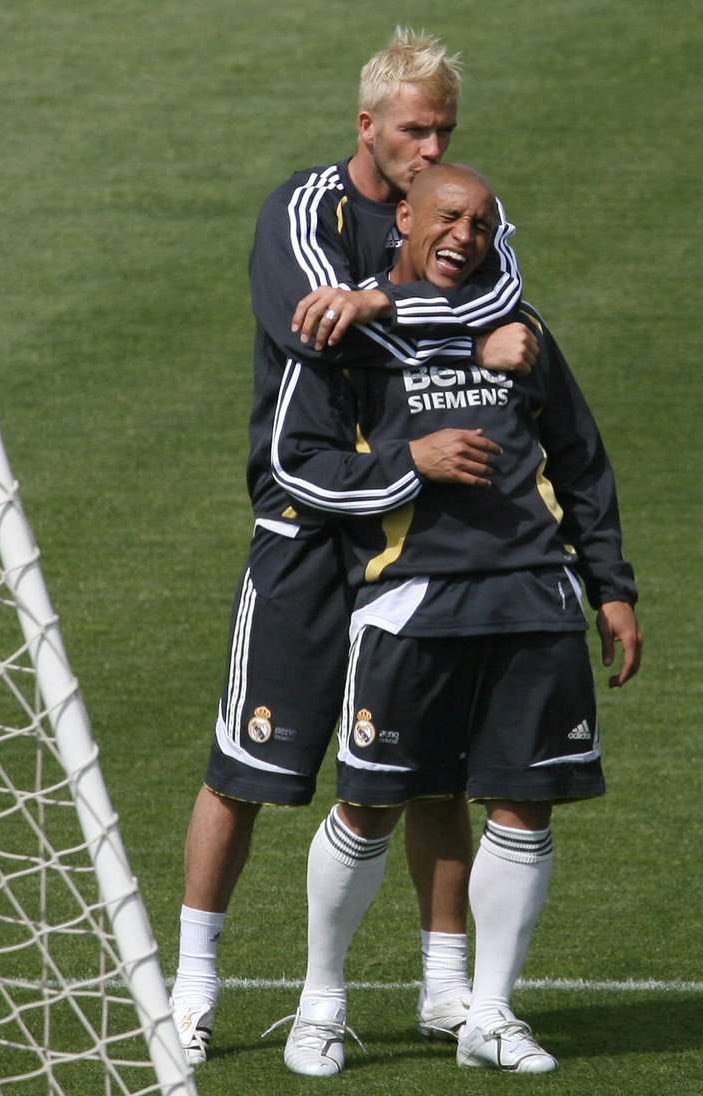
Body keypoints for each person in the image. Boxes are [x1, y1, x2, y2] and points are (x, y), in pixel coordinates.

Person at [170, 29, 538, 1064]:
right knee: (246, 767)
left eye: (445, 130)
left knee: (427, 769)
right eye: (415, 129)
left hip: (419, 539)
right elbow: (312, 331)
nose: (432, 148)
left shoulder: (466, 208)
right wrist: (450, 328)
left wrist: (382, 297)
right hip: (307, 527)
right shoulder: (304, 210)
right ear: (367, 125)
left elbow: (511, 299)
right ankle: (193, 984)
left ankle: (446, 992)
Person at [269, 163, 642, 1076]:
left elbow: (581, 462)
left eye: (479, 224)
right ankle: (320, 1004)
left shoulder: (520, 329)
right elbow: (293, 461)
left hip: (533, 599)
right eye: (446, 216)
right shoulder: (342, 333)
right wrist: (413, 459)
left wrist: (612, 588)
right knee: (369, 807)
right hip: (410, 603)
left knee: (524, 807)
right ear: (403, 217)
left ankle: (490, 1015)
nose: (463, 237)